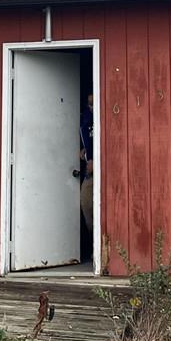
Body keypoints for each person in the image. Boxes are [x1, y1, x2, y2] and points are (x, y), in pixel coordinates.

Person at [79, 93, 94, 235]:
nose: (92, 107)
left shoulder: (103, 117)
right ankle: (93, 240)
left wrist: (95, 160)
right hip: (89, 173)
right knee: (86, 202)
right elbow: (88, 139)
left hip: (101, 171)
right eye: (89, 104)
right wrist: (84, 150)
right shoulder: (86, 119)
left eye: (94, 103)